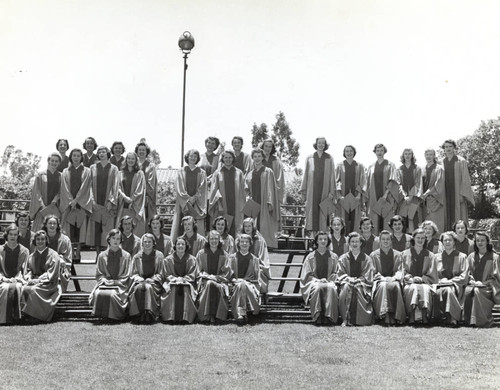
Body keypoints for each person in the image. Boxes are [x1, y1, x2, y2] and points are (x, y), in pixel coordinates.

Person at [89, 229, 131, 321]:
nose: (116, 241)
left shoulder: (126, 256)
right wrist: (104, 280)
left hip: (120, 285)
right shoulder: (101, 255)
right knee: (99, 293)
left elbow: (127, 275)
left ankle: (115, 317)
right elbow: (99, 273)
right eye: (113, 238)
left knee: (112, 294)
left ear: (121, 240)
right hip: (105, 283)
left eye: (118, 239)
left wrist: (115, 282)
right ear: (109, 239)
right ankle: (102, 316)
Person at [300, 231, 340, 325]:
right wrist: (318, 280)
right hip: (314, 282)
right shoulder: (310, 257)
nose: (323, 241)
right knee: (318, 288)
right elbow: (307, 275)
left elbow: (336, 272)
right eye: (320, 239)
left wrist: (328, 280)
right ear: (316, 241)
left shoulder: (333, 257)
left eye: (325, 239)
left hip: (330, 281)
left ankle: (329, 316)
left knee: (330, 288)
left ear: (328, 241)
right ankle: (318, 315)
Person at [21, 230, 62, 322]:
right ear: (34, 241)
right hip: (34, 281)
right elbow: (28, 270)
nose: (40, 241)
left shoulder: (53, 255)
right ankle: (26, 314)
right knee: (23, 288)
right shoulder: (32, 256)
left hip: (49, 283)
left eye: (42, 239)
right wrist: (29, 278)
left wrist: (38, 280)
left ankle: (38, 317)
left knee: (33, 290)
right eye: (38, 239)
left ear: (46, 240)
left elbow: (51, 273)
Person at [86, 146, 120, 254]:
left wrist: (111, 201)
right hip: (96, 203)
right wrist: (92, 200)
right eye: (99, 152)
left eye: (103, 152)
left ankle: (106, 253)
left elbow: (115, 185)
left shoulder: (114, 168)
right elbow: (89, 185)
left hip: (107, 204)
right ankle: (97, 254)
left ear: (108, 153)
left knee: (107, 229)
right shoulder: (92, 167)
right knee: (96, 230)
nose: (101, 154)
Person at [244, 148, 280, 248]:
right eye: (255, 156)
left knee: (264, 225)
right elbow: (246, 189)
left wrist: (270, 202)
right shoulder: (250, 173)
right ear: (252, 158)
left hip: (264, 202)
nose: (257, 158)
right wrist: (247, 198)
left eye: (259, 156)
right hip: (253, 203)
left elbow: (271, 189)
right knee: (252, 225)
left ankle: (265, 246)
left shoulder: (268, 172)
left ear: (263, 157)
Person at [300, 137, 337, 235]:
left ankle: (323, 239)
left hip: (325, 193)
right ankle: (313, 240)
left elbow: (332, 176)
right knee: (312, 216)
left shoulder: (329, 158)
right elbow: (306, 175)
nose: (321, 145)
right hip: (312, 192)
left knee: (324, 216)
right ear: (316, 144)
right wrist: (304, 191)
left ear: (325, 145)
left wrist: (331, 192)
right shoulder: (310, 158)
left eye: (323, 143)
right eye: (319, 143)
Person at [401, 228, 438, 324]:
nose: (420, 240)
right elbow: (402, 270)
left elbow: (432, 272)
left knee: (425, 289)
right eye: (418, 237)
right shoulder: (405, 254)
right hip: (409, 282)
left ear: (425, 239)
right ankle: (411, 315)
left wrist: (422, 279)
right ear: (413, 238)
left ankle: (425, 315)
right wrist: (410, 278)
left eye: (422, 238)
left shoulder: (430, 255)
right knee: (413, 288)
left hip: (425, 282)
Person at [463, 232, 500, 327]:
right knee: (467, 291)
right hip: (473, 285)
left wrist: (484, 283)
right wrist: (471, 280)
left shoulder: (494, 257)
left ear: (487, 241)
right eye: (478, 240)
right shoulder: (471, 257)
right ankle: (468, 320)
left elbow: (497, 277)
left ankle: (483, 321)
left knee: (477, 291)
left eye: (482, 240)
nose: (480, 243)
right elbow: (467, 273)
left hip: (490, 287)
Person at [338, 232, 375, 326]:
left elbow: (368, 274)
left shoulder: (367, 258)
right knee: (346, 288)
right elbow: (340, 273)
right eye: (352, 242)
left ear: (361, 243)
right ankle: (345, 319)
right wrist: (349, 279)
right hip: (347, 282)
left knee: (358, 287)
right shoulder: (343, 258)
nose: (354, 244)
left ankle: (360, 320)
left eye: (357, 241)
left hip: (362, 285)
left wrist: (359, 280)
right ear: (349, 243)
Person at [370, 230, 406, 325]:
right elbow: (372, 272)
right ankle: (384, 314)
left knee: (396, 286)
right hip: (380, 280)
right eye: (383, 239)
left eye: (388, 239)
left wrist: (394, 278)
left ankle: (396, 315)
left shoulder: (398, 255)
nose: (385, 241)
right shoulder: (373, 255)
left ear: (391, 241)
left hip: (394, 280)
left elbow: (400, 270)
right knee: (383, 286)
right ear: (380, 241)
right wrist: (382, 278)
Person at [432, 231, 468, 325]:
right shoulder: (435, 258)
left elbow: (464, 276)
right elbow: (432, 274)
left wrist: (450, 281)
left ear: (454, 242)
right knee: (444, 290)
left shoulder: (462, 257)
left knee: (448, 289)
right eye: (445, 240)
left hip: (456, 285)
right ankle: (451, 317)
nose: (447, 242)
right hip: (438, 285)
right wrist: (440, 281)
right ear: (442, 242)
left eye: (450, 240)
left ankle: (453, 317)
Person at [171, 149, 207, 241]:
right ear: (187, 157)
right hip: (183, 204)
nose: (192, 158)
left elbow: (203, 188)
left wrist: (194, 198)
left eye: (195, 156)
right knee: (180, 225)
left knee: (197, 225)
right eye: (191, 156)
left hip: (197, 203)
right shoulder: (181, 171)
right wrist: (187, 199)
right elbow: (179, 187)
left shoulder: (202, 172)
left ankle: (197, 245)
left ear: (198, 158)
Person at [160, 236, 198, 324]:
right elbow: (166, 274)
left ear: (186, 246)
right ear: (175, 246)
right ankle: (171, 317)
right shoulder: (168, 260)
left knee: (185, 289)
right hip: (171, 282)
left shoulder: (192, 259)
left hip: (187, 283)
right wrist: (175, 279)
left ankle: (186, 317)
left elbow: (192, 274)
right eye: (178, 244)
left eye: (183, 244)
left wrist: (183, 280)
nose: (180, 246)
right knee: (172, 289)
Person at [60, 148, 93, 247]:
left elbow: (85, 187)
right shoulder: (65, 171)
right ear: (71, 157)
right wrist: (71, 201)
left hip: (81, 204)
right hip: (69, 205)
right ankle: (68, 251)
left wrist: (76, 200)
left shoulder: (87, 171)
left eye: (78, 156)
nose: (76, 158)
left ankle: (78, 253)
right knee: (68, 227)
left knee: (80, 228)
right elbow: (64, 188)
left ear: (81, 157)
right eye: (74, 155)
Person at [196, 230, 231, 323]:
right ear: (207, 240)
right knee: (209, 284)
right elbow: (198, 271)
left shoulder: (224, 254)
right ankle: (207, 315)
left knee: (212, 284)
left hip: (220, 282)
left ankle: (215, 315)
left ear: (220, 240)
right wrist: (208, 276)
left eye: (216, 239)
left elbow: (227, 274)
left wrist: (216, 278)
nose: (214, 241)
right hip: (204, 282)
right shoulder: (201, 253)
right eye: (211, 238)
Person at [209, 150, 246, 237]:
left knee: (237, 226)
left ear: (233, 159)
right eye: (225, 157)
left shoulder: (239, 173)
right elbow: (214, 191)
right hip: (223, 205)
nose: (228, 159)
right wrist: (219, 204)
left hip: (236, 205)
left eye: (230, 157)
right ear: (222, 159)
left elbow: (243, 190)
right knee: (222, 225)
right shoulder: (218, 173)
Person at [129, 233, 165, 323]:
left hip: (154, 284)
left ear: (153, 243)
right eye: (145, 242)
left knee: (148, 287)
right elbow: (133, 273)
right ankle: (138, 314)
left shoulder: (159, 256)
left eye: (150, 242)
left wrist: (153, 279)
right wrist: (138, 278)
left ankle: (150, 314)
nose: (147, 244)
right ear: (142, 243)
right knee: (139, 288)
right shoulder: (137, 257)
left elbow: (161, 273)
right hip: (140, 282)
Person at [441, 139, 475, 231]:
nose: (448, 149)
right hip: (445, 194)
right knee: (445, 216)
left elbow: (465, 179)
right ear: (444, 148)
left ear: (454, 148)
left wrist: (462, 194)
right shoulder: (441, 162)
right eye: (446, 147)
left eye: (450, 146)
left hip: (457, 194)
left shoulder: (461, 161)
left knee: (459, 215)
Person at [227, 234, 261, 324]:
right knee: (240, 285)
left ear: (250, 244)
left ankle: (240, 314)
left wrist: (245, 282)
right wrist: (235, 280)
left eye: (247, 242)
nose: (244, 244)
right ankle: (243, 313)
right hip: (235, 285)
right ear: (238, 243)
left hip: (250, 285)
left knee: (243, 285)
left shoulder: (255, 259)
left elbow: (257, 278)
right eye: (242, 242)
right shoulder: (232, 258)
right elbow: (229, 275)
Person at [365, 144, 399, 234]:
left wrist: (386, 194)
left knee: (387, 218)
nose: (379, 152)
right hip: (373, 197)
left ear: (384, 151)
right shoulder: (371, 166)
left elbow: (393, 180)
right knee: (374, 219)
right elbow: (367, 183)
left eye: (381, 150)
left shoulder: (390, 164)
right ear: (375, 152)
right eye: (377, 150)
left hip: (387, 197)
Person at [0, 224, 29, 324]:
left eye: (15, 234)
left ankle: (17, 317)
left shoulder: (24, 251)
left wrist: (18, 278)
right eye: (11, 234)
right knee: (4, 288)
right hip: (2, 279)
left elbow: (25, 269)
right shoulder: (0, 250)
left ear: (18, 236)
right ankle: (4, 318)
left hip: (18, 278)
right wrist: (3, 278)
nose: (13, 237)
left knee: (17, 287)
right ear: (6, 235)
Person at [335, 145, 367, 234]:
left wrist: (359, 195)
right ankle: (342, 240)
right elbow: (336, 181)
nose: (349, 153)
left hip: (355, 198)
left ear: (354, 152)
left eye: (351, 151)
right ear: (344, 153)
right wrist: (339, 196)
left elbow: (363, 181)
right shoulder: (339, 165)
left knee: (355, 220)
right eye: (347, 151)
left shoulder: (359, 166)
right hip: (343, 198)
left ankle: (355, 240)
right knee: (343, 219)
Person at [29, 152, 62, 232]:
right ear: (48, 161)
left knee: (54, 229)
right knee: (39, 231)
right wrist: (42, 204)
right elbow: (36, 191)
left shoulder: (61, 175)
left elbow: (61, 190)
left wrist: (56, 199)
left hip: (55, 207)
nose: (54, 163)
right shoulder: (40, 174)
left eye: (56, 161)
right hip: (42, 208)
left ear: (59, 163)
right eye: (52, 160)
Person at [116, 151, 146, 237]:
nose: (130, 160)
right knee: (122, 229)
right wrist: (125, 197)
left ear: (136, 160)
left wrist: (131, 199)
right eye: (129, 158)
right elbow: (117, 187)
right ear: (126, 160)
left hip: (135, 206)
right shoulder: (120, 173)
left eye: (133, 159)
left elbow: (140, 189)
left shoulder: (140, 173)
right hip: (123, 205)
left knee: (135, 231)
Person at [241, 218, 271, 294]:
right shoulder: (240, 240)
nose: (247, 228)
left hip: (257, 266)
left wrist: (255, 264)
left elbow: (263, 256)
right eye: (245, 226)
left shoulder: (260, 240)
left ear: (253, 227)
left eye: (249, 226)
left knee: (258, 273)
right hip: (242, 266)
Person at [42, 215, 72, 293]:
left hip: (60, 269)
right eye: (50, 223)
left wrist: (58, 259)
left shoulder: (65, 240)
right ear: (45, 225)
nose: (52, 225)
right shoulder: (40, 238)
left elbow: (67, 259)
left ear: (58, 225)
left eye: (54, 223)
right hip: (42, 267)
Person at [396, 148, 423, 233]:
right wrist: (404, 196)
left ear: (412, 155)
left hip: (414, 198)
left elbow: (418, 183)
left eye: (409, 154)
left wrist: (411, 196)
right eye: (406, 154)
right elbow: (398, 183)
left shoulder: (417, 168)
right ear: (403, 155)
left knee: (414, 219)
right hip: (402, 199)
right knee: (403, 219)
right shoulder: (399, 169)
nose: (407, 156)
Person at [421, 148, 445, 233]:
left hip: (435, 200)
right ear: (424, 156)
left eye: (431, 154)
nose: (429, 157)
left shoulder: (439, 169)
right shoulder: (422, 169)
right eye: (427, 154)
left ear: (434, 156)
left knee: (435, 226)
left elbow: (439, 184)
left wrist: (427, 193)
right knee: (425, 226)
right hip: (424, 201)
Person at [135, 141, 157, 224]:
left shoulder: (151, 166)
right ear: (136, 151)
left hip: (146, 198)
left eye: (143, 150)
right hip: (134, 198)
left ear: (146, 152)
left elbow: (152, 184)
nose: (141, 152)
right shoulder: (133, 163)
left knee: (147, 221)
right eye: (139, 150)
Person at [260, 138, 285, 204]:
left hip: (272, 190)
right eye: (266, 146)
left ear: (272, 148)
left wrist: (276, 190)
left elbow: (280, 178)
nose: (267, 148)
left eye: (270, 147)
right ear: (262, 147)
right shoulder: (258, 159)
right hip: (260, 189)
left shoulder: (276, 160)